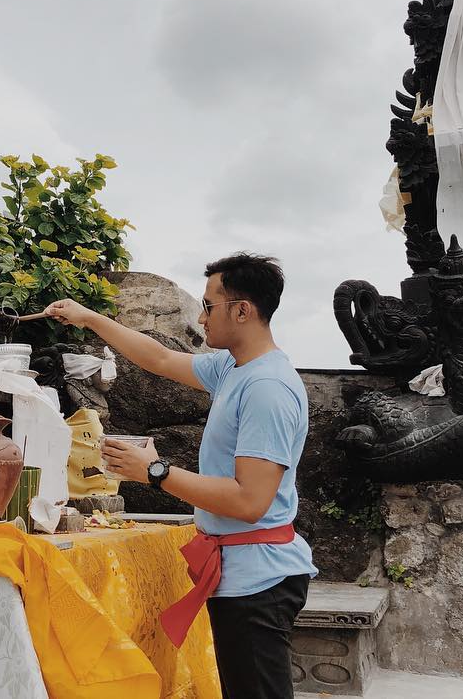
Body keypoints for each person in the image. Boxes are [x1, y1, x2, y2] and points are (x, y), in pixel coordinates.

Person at [45, 252, 317, 699]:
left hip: (259, 578)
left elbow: (250, 502)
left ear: (242, 310)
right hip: (239, 571)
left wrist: (154, 472)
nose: (200, 317)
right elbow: (160, 359)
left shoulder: (267, 388)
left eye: (209, 305)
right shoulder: (236, 367)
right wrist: (89, 317)